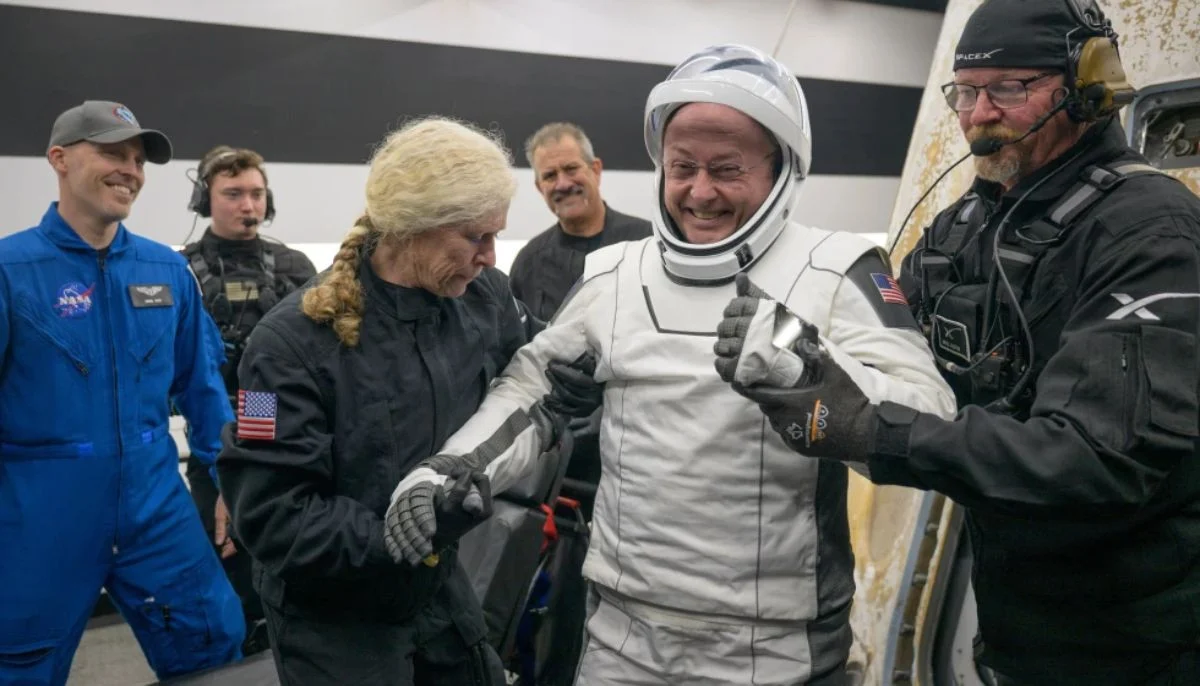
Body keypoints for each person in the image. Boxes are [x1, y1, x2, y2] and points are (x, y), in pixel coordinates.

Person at [383, 45, 956, 685]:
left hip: (774, 652)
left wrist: (804, 359)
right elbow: (530, 390)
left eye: (727, 169)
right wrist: (446, 471)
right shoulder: (614, 273)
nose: (700, 191)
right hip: (621, 638)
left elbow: (931, 423)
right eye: (683, 167)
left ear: (782, 171)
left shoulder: (838, 269)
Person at [714, 1, 1200, 684]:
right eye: (966, 93)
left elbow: (1093, 461)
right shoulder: (964, 225)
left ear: (1087, 87)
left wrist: (875, 432)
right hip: (1014, 632)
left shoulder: (1151, 232)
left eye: (1008, 88)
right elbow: (888, 351)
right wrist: (793, 342)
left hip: (1138, 647)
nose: (979, 115)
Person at [216, 116, 527, 686]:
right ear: (411, 227)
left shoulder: (481, 299)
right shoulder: (282, 347)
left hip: (434, 590)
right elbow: (270, 515)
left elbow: (524, 384)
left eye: (495, 235)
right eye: (474, 237)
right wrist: (407, 529)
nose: (490, 255)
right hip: (333, 617)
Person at [0, 100, 244, 684]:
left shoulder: (166, 269)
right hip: (39, 512)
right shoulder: (11, 269)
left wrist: (234, 482)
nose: (130, 170)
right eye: (112, 153)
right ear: (59, 159)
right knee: (20, 661)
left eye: (138, 159)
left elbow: (206, 387)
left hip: (155, 503)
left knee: (214, 642)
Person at [179, 145, 316, 653]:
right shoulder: (180, 271)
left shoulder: (294, 266)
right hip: (213, 432)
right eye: (233, 194)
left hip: (290, 433)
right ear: (205, 200)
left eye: (257, 194)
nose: (248, 205)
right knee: (226, 555)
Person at [510, 122, 652, 323]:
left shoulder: (647, 243)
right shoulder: (528, 264)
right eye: (550, 176)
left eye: (571, 169)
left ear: (596, 170)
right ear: (539, 187)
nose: (563, 184)